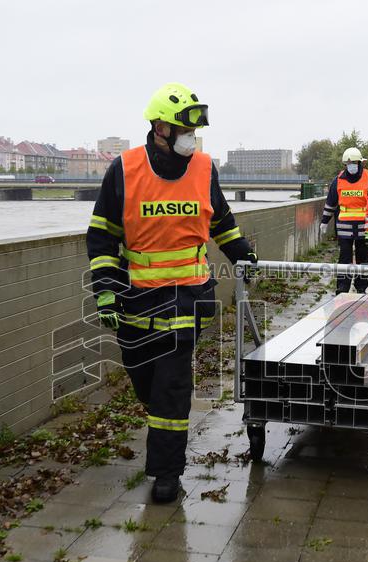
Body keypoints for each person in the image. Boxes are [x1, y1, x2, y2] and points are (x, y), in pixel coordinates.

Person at [86, 82, 256, 503]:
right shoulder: (123, 171)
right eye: (183, 129)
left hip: (188, 299)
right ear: (159, 127)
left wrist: (242, 255)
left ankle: (166, 474)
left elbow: (221, 221)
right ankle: (161, 434)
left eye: (194, 131)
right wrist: (105, 291)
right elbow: (103, 236)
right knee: (145, 382)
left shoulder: (203, 168)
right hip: (137, 299)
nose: (191, 138)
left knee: (172, 387)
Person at [319, 147, 368, 293]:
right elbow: (330, 203)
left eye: (354, 163)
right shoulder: (338, 181)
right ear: (345, 164)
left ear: (360, 163)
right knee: (344, 259)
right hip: (344, 229)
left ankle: (361, 287)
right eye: (348, 163)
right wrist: (324, 221)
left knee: (363, 259)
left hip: (364, 228)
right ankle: (342, 287)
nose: (351, 166)